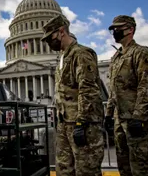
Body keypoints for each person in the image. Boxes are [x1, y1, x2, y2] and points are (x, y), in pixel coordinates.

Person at [41, 14, 104, 176]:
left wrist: (81, 123)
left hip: (83, 125)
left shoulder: (81, 54)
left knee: (86, 170)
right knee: (64, 170)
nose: (49, 42)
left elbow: (88, 91)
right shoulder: (63, 58)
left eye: (51, 37)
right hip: (65, 124)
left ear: (62, 31)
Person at [104, 15, 148, 176]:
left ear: (130, 29)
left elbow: (147, 86)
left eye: (118, 28)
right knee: (124, 167)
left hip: (135, 121)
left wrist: (139, 117)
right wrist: (108, 115)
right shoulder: (116, 58)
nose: (114, 31)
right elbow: (113, 91)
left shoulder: (141, 53)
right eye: (113, 29)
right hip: (119, 122)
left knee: (140, 167)